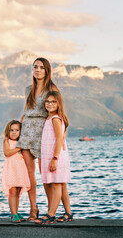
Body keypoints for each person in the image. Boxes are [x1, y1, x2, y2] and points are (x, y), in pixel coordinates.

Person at [16, 57, 59, 221]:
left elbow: (57, 112)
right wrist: (18, 130)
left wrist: (58, 135)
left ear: (47, 70)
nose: (38, 70)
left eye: (41, 67)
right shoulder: (28, 89)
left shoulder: (52, 88)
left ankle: (50, 212)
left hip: (43, 132)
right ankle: (33, 208)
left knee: (46, 174)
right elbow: (26, 111)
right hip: (27, 131)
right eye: (35, 67)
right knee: (29, 174)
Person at [35, 91, 73, 224]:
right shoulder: (49, 118)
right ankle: (68, 213)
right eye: (48, 101)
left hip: (56, 156)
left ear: (58, 103)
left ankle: (51, 214)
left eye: (53, 102)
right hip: (54, 155)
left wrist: (55, 158)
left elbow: (58, 139)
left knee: (56, 185)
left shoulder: (56, 119)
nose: (50, 104)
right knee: (62, 185)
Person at [2, 120, 30, 223]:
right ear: (7, 131)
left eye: (17, 130)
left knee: (18, 191)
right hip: (11, 168)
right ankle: (13, 214)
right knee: (12, 191)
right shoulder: (7, 141)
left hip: (20, 169)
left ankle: (16, 212)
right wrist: (18, 148)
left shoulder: (21, 142)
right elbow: (7, 152)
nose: (14, 132)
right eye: (11, 130)